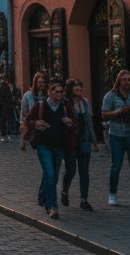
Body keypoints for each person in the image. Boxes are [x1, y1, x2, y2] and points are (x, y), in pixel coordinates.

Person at [25, 79, 76, 219]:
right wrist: (36, 123)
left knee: (53, 175)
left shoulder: (66, 107)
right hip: (44, 145)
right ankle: (53, 206)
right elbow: (27, 120)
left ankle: (46, 199)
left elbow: (74, 124)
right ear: (50, 91)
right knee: (49, 173)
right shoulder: (40, 105)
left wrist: (69, 123)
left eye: (61, 92)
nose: (60, 94)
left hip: (59, 146)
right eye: (57, 91)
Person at [62, 78, 98, 211]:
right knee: (71, 170)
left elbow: (89, 122)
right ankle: (65, 191)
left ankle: (84, 200)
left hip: (84, 140)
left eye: (80, 89)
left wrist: (94, 140)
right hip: (71, 141)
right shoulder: (66, 104)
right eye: (76, 89)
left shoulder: (85, 103)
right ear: (70, 90)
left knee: (84, 172)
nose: (79, 92)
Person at [101, 69, 130, 206]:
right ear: (119, 81)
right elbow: (104, 114)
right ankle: (112, 193)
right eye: (124, 80)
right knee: (116, 165)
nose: (127, 82)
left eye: (129, 80)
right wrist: (119, 111)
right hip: (116, 135)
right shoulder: (111, 96)